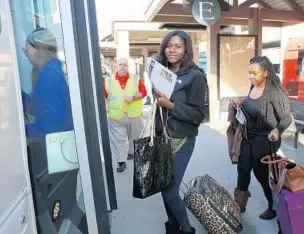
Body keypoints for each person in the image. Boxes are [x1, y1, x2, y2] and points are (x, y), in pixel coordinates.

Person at [154, 30, 207, 234]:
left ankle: (186, 229)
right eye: (168, 45)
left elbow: (197, 115)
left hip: (182, 139)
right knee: (163, 187)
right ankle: (173, 224)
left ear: (186, 49)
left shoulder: (195, 76)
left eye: (177, 46)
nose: (172, 50)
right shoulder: (161, 72)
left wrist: (170, 104)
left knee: (170, 191)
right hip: (162, 139)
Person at [233, 56, 292, 220]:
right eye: (249, 73)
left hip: (266, 138)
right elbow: (253, 104)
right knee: (243, 169)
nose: (251, 76)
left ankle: (273, 207)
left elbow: (287, 118)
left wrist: (278, 130)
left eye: (255, 73)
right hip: (248, 136)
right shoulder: (253, 86)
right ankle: (238, 207)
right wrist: (242, 101)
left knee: (262, 174)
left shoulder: (274, 92)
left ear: (266, 73)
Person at [21, 27, 73, 141]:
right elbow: (39, 107)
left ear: (37, 49)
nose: (26, 55)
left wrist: (21, 130)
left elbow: (51, 123)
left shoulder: (48, 73)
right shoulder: (54, 69)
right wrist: (18, 95)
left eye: (27, 50)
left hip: (54, 142)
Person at [104, 58, 147, 172]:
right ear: (116, 66)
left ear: (128, 67)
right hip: (116, 116)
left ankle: (132, 153)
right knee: (118, 141)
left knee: (135, 138)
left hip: (134, 115)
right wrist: (105, 105)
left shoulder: (135, 79)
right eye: (120, 65)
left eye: (125, 65)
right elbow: (102, 95)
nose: (122, 67)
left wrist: (133, 97)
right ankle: (121, 162)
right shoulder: (108, 81)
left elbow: (144, 92)